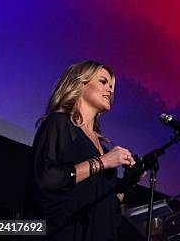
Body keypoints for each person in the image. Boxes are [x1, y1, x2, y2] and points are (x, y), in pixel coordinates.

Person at [26, 60, 140, 240]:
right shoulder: (60, 123)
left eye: (111, 86)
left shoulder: (103, 148)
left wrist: (128, 182)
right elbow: (46, 180)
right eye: (103, 82)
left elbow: (108, 206)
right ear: (80, 83)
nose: (110, 90)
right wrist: (103, 162)